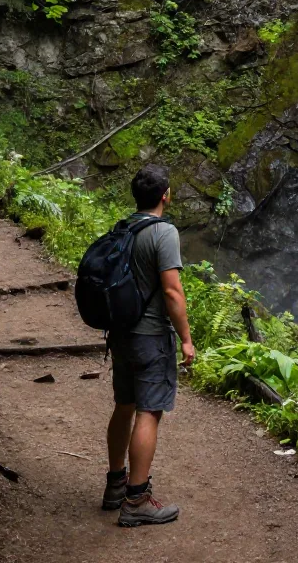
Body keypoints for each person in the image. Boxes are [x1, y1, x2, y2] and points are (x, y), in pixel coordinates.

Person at [101, 164, 196, 526]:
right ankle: (137, 499)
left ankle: (115, 485)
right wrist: (186, 339)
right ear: (165, 196)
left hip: (121, 334)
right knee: (149, 412)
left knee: (123, 405)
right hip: (150, 336)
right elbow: (172, 290)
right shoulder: (163, 233)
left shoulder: (123, 227)